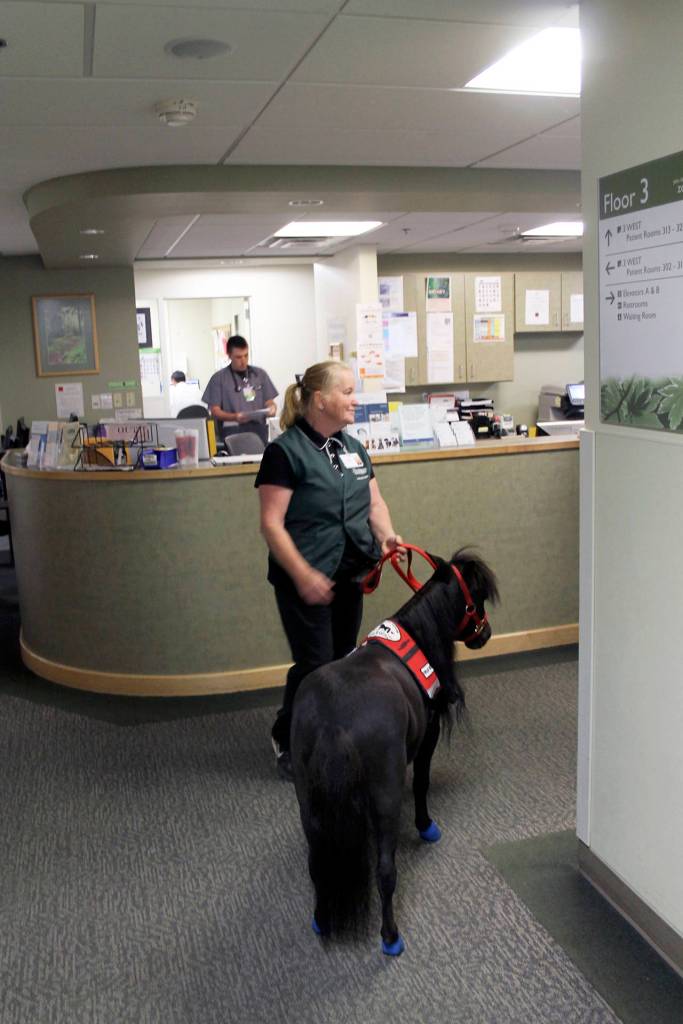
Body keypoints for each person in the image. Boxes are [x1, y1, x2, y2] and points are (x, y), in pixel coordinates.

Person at [255, 360, 404, 780]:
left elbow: (374, 503)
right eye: (347, 392)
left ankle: (332, 737)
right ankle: (288, 735)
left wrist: (388, 535)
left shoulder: (352, 448)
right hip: (303, 577)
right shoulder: (284, 453)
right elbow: (271, 523)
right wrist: (302, 574)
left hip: (349, 572)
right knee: (314, 665)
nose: (356, 400)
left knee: (341, 660)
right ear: (320, 400)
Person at [202, 336, 278, 445]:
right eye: (238, 357)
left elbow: (269, 401)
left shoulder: (259, 374)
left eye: (246, 356)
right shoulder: (218, 378)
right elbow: (215, 411)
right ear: (229, 355)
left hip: (259, 430)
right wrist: (235, 417)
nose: (243, 361)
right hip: (232, 431)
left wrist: (272, 408)